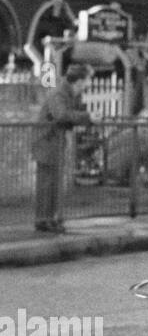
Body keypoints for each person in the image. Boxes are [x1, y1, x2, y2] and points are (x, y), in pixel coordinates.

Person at [32, 64, 94, 233]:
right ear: (80, 81)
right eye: (88, 79)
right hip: (47, 142)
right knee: (47, 184)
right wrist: (86, 117)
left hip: (53, 142)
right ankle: (45, 220)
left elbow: (67, 116)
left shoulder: (69, 94)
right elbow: (61, 115)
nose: (89, 84)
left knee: (52, 183)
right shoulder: (59, 93)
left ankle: (49, 219)